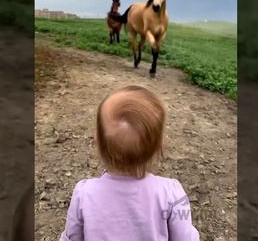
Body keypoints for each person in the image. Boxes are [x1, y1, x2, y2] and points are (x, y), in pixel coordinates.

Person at [60, 85, 200, 241]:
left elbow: (71, 238)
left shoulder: (84, 193)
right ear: (159, 147)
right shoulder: (173, 194)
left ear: (97, 140)